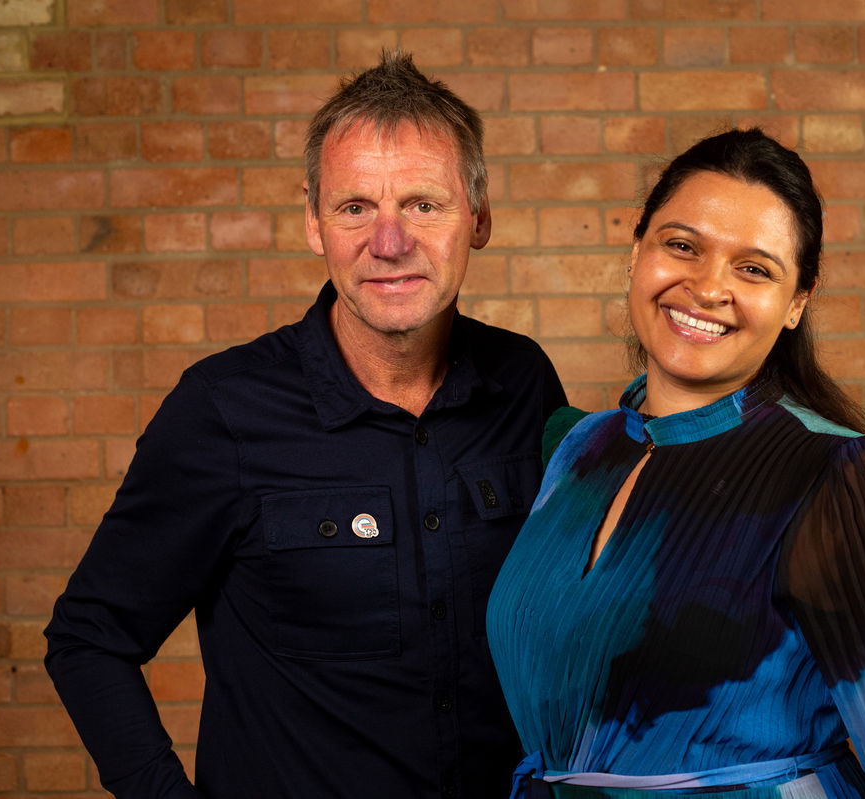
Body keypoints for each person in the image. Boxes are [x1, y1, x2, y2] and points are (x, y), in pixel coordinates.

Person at [487, 128, 865, 798]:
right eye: (682, 246)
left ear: (796, 303)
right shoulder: (580, 449)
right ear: (638, 249)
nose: (708, 287)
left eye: (754, 269)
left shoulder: (841, 477)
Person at [46, 51, 566, 799]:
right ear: (313, 221)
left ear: (478, 217)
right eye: (355, 207)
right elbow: (89, 638)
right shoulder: (222, 411)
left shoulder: (524, 383)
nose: (389, 241)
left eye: (423, 205)